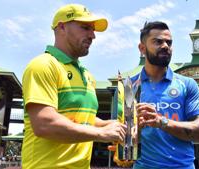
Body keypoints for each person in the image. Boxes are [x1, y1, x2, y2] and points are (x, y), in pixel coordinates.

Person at [21, 4, 126, 169]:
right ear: (62, 27)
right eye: (85, 28)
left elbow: (85, 120)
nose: (93, 35)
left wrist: (114, 126)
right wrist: (101, 134)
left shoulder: (87, 75)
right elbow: (44, 124)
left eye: (93, 30)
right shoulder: (43, 65)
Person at [131, 21, 199, 169]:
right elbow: (120, 135)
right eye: (158, 41)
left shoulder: (188, 84)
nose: (165, 46)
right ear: (142, 48)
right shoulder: (128, 87)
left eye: (169, 42)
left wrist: (161, 122)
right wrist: (132, 133)